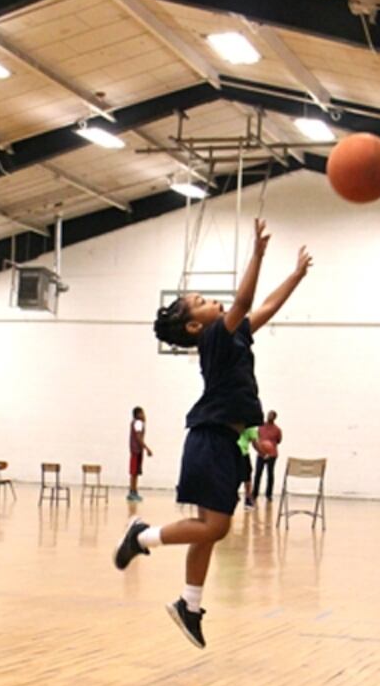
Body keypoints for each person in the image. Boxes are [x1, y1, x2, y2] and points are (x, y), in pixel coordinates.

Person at [115, 218, 311, 648]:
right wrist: (257, 254)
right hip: (210, 439)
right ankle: (142, 536)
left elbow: (265, 307)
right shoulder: (213, 340)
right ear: (193, 328)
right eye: (201, 300)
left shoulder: (232, 336)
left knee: (208, 527)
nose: (213, 301)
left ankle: (190, 604)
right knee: (214, 529)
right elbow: (245, 298)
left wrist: (295, 275)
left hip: (224, 440)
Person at [252, 410, 283, 504]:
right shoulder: (261, 427)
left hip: (272, 455)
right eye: (269, 415)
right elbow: (256, 439)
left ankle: (268, 495)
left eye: (272, 416)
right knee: (258, 474)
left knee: (270, 474)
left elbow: (278, 441)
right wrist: (262, 449)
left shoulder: (277, 429)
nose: (269, 417)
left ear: (275, 418)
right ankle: (255, 494)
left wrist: (270, 447)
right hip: (261, 454)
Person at [127, 406, 153, 501]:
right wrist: (147, 448)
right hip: (136, 450)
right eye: (142, 413)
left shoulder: (137, 423)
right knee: (134, 472)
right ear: (138, 414)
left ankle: (133, 491)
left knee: (135, 472)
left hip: (135, 450)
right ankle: (132, 492)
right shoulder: (138, 423)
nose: (144, 415)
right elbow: (138, 437)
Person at [236, 425, 259, 509]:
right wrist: (263, 453)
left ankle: (231, 495)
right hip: (243, 453)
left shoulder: (232, 421)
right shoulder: (250, 427)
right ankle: (248, 500)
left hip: (231, 451)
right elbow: (255, 443)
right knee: (247, 478)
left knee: (232, 475)